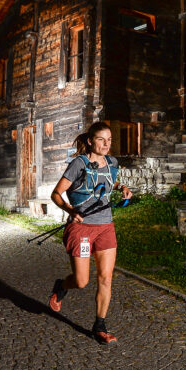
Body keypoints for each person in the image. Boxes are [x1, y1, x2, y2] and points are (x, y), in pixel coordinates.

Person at [48, 121, 132, 344]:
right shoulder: (78, 164)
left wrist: (121, 187)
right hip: (82, 229)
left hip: (106, 227)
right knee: (82, 280)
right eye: (101, 139)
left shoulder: (112, 162)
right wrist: (70, 209)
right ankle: (62, 286)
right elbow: (56, 194)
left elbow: (107, 181)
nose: (106, 144)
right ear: (90, 141)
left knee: (106, 278)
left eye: (110, 140)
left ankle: (100, 326)